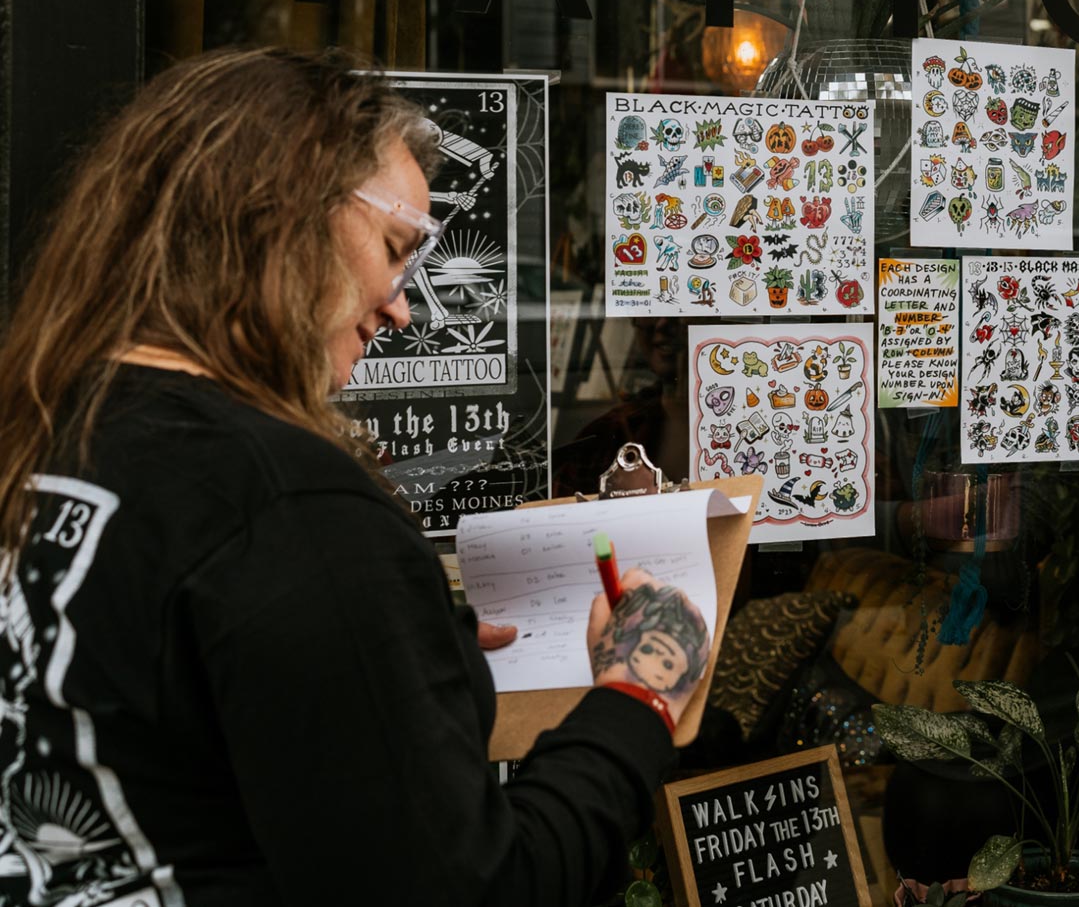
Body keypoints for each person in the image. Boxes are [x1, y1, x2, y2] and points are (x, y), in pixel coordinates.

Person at [0, 48, 697, 905]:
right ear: (280, 216)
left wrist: (375, 636)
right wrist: (639, 694)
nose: (403, 305)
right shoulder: (287, 504)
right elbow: (472, 889)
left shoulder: (56, 424)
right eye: (397, 248)